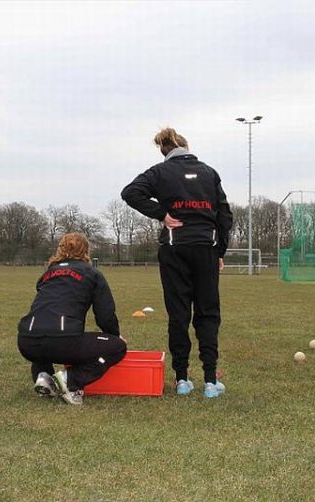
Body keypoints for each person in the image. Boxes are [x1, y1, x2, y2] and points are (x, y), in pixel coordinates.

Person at [121, 127, 233, 398]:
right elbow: (225, 215)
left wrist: (162, 214)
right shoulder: (208, 172)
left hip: (174, 249)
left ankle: (181, 380)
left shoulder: (159, 172)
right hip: (205, 249)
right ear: (186, 146)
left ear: (164, 151)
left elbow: (130, 192)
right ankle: (209, 381)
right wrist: (220, 252)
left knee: (179, 314)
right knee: (208, 313)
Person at [16, 233, 127, 405]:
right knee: (118, 347)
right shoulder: (92, 274)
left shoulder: (48, 274)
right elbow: (105, 314)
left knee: (44, 334)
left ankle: (43, 376)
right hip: (63, 340)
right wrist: (114, 336)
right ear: (86, 250)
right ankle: (69, 380)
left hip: (26, 341)